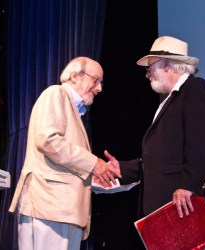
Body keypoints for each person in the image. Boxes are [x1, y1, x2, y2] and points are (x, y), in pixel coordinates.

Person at [9, 57, 121, 250]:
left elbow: (64, 161)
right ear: (75, 76)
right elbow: (48, 140)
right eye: (96, 80)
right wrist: (94, 164)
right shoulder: (55, 94)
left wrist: (93, 177)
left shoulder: (75, 111)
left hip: (63, 209)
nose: (99, 88)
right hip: (49, 206)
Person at [105, 36, 205, 221]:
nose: (148, 74)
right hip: (167, 207)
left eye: (150, 68)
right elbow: (161, 159)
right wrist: (123, 169)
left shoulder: (195, 89)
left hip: (184, 206)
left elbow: (203, 143)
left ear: (167, 65)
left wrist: (189, 185)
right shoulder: (171, 100)